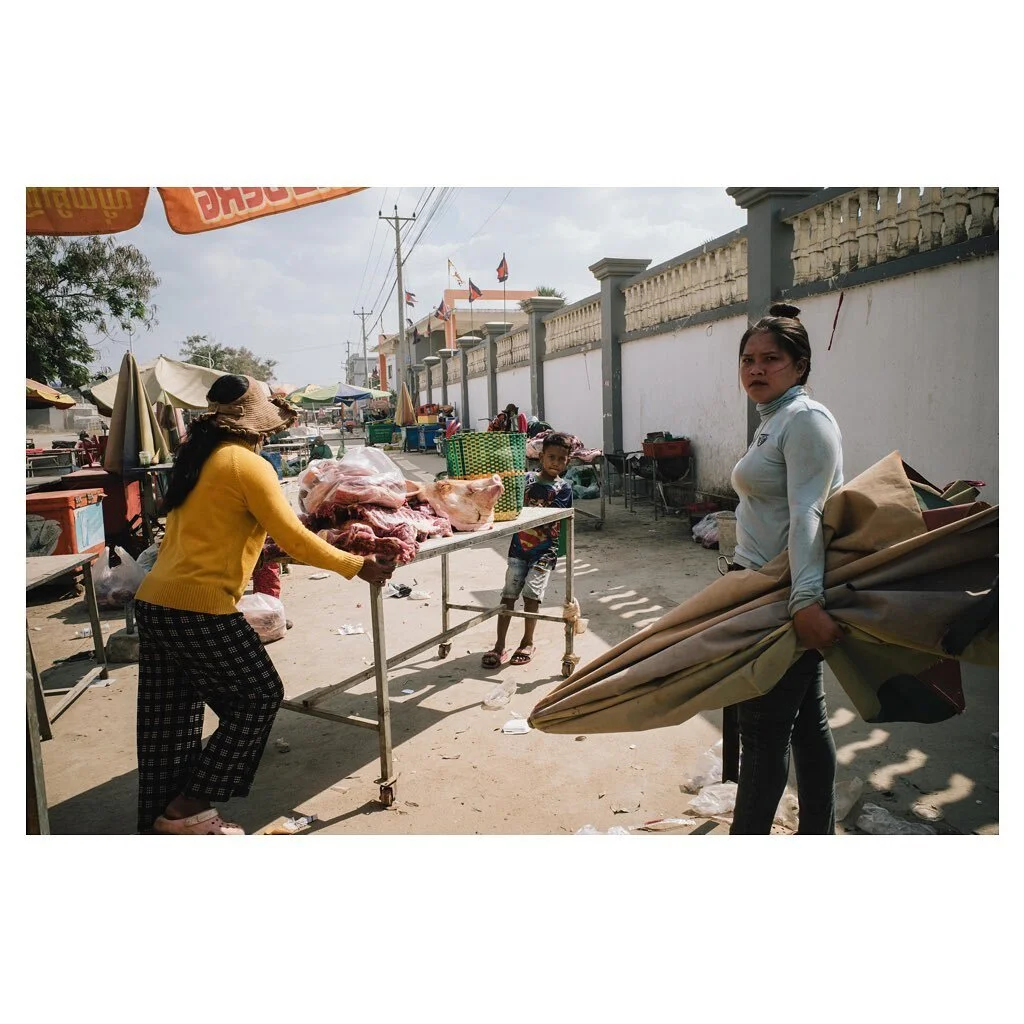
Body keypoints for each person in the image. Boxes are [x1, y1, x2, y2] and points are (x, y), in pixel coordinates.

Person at [133, 374, 394, 835]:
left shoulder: (201, 457)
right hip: (198, 607)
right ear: (257, 422)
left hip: (156, 603)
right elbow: (294, 536)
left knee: (170, 719)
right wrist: (356, 564)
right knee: (259, 695)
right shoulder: (246, 465)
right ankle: (189, 804)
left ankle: (167, 821)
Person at [727, 302, 844, 835]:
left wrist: (804, 601)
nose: (756, 368)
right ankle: (817, 832)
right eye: (748, 358)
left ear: (800, 366)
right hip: (761, 584)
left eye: (771, 358)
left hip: (784, 593)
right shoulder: (774, 418)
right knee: (805, 721)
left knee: (764, 730)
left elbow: (809, 514)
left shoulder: (806, 421)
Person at [482, 432, 573, 668]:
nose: (556, 463)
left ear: (567, 462)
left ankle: (527, 642)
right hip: (518, 548)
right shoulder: (525, 480)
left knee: (532, 596)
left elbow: (552, 515)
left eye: (561, 459)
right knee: (508, 595)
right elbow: (510, 503)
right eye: (551, 457)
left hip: (545, 550)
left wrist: (525, 492)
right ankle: (499, 645)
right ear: (541, 457)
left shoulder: (564, 488)